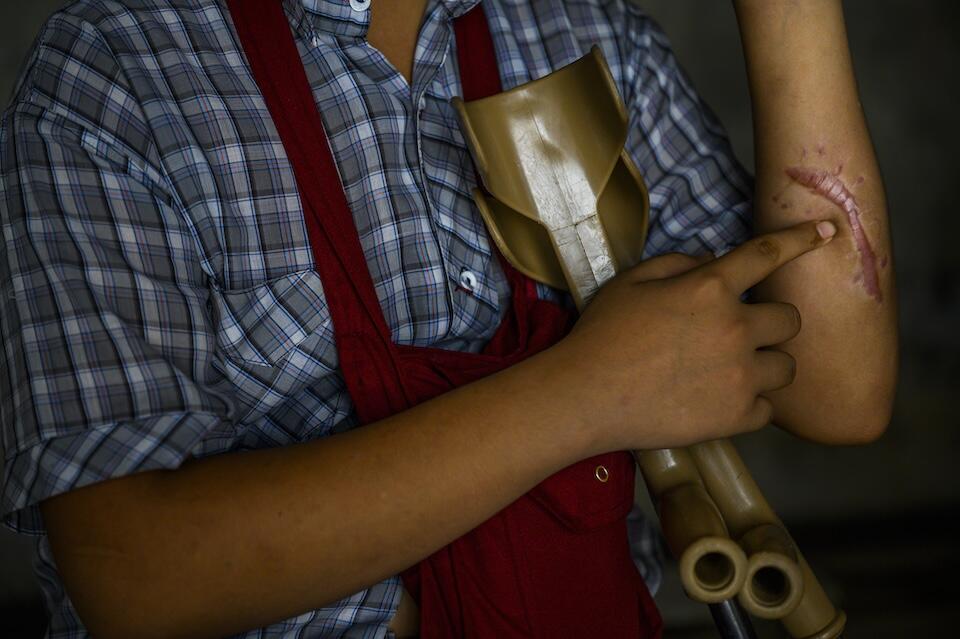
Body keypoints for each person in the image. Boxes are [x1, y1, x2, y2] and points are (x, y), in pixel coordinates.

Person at [0, 0, 896, 637]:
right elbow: (133, 577)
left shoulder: (578, 29)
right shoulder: (117, 70)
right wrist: (588, 395)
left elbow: (838, 389)